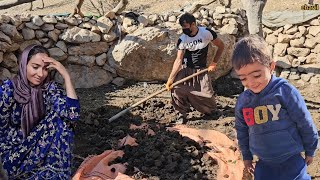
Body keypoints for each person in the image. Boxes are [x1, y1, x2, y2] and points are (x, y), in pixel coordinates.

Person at [232, 35, 318, 180]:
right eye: (243, 79)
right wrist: (246, 156)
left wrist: (311, 148)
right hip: (263, 163)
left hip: (291, 159)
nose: (251, 83)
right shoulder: (243, 101)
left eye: (257, 75)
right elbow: (242, 130)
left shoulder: (285, 92)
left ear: (271, 66)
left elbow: (304, 121)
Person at [0, 44, 80, 179]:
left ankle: (55, 173)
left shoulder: (48, 89)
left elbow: (72, 115)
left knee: (63, 121)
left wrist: (66, 76)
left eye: (45, 69)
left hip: (40, 151)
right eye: (35, 67)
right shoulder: (9, 90)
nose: (40, 74)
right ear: (23, 64)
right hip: (12, 155)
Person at [165, 12, 225, 124]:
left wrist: (214, 63)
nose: (184, 29)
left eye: (185, 26)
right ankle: (181, 114)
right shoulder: (182, 39)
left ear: (193, 24)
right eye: (182, 27)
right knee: (177, 89)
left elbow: (221, 46)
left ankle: (212, 111)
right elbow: (178, 59)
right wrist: (171, 79)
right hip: (186, 68)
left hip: (201, 69)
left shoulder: (206, 33)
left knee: (207, 94)